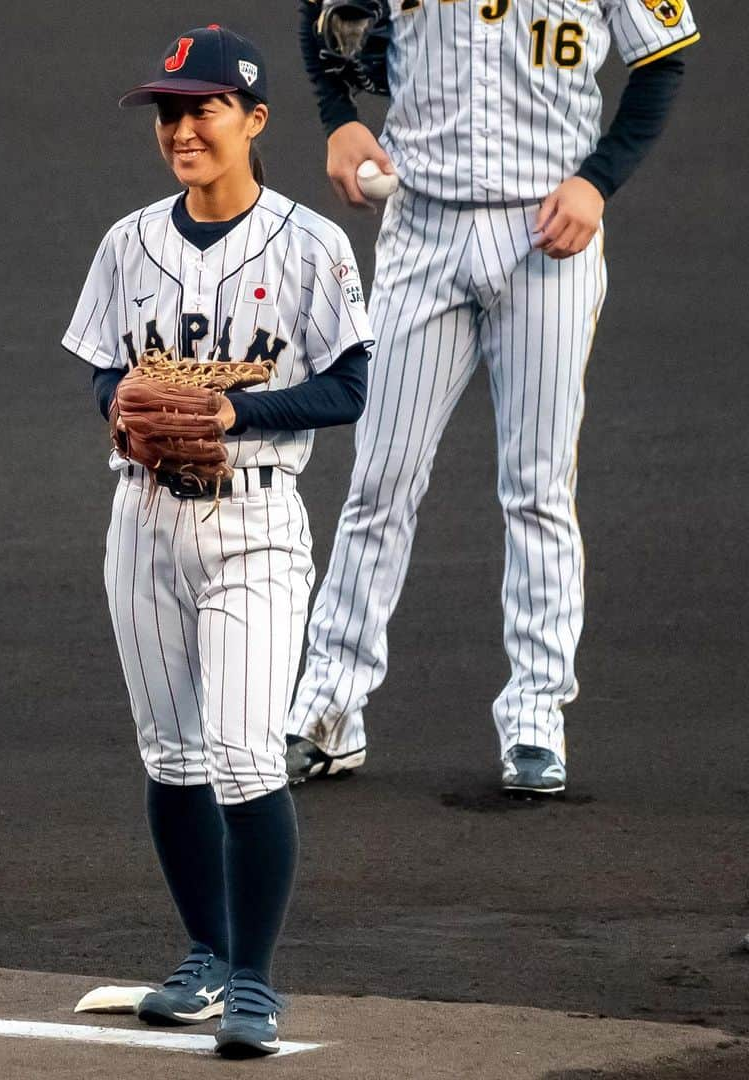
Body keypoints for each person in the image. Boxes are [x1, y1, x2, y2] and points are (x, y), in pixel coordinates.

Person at [286, 0, 699, 794]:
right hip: (421, 228)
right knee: (380, 480)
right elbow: (325, 13)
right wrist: (338, 116)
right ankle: (328, 709)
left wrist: (597, 180)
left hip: (549, 233)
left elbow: (665, 56)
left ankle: (537, 719)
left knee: (538, 488)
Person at [62, 25, 374, 1057]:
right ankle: (203, 956)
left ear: (255, 119)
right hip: (141, 521)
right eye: (168, 111)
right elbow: (106, 370)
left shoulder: (310, 246)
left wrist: (241, 414)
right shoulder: (127, 243)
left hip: (255, 524)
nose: (181, 128)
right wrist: (124, 404)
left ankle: (254, 980)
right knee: (174, 757)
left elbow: (349, 386)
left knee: (245, 756)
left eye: (201, 109)